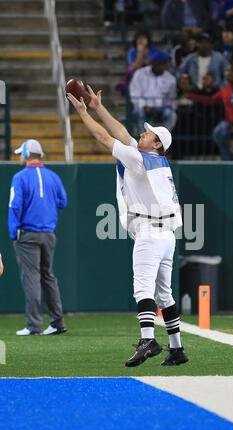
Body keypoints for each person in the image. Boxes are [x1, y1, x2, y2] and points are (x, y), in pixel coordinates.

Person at [67, 85, 188, 367]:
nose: (142, 133)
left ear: (157, 143)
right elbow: (121, 133)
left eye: (149, 133)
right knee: (164, 293)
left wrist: (84, 113)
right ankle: (177, 349)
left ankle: (148, 340)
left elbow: (104, 137)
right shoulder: (152, 158)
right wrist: (99, 107)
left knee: (142, 288)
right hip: (167, 235)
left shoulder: (139, 159)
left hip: (149, 231)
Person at [8, 139, 68, 336]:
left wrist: (13, 231)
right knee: (48, 276)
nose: (19, 157)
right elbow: (63, 202)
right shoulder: (53, 176)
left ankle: (34, 326)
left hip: (28, 234)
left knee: (31, 278)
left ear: (26, 154)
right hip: (49, 234)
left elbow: (15, 206)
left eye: (20, 154)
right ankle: (57, 323)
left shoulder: (20, 176)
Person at [187, 60, 233, 160]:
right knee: (218, 132)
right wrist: (191, 96)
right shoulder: (227, 89)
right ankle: (228, 158)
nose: (225, 73)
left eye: (228, 71)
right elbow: (211, 100)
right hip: (230, 122)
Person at [129, 50, 177, 134]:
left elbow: (171, 99)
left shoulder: (170, 78)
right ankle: (144, 139)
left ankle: (161, 140)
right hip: (143, 107)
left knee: (171, 115)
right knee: (139, 113)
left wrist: (165, 106)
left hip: (161, 108)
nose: (163, 66)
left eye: (164, 63)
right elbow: (134, 94)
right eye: (160, 63)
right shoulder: (140, 74)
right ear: (153, 63)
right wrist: (145, 106)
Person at [115, 30, 162, 97]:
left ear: (148, 39)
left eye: (143, 38)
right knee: (135, 74)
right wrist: (140, 52)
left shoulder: (153, 51)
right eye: (139, 38)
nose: (141, 40)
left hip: (151, 74)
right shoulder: (132, 51)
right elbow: (136, 67)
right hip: (137, 74)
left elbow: (157, 66)